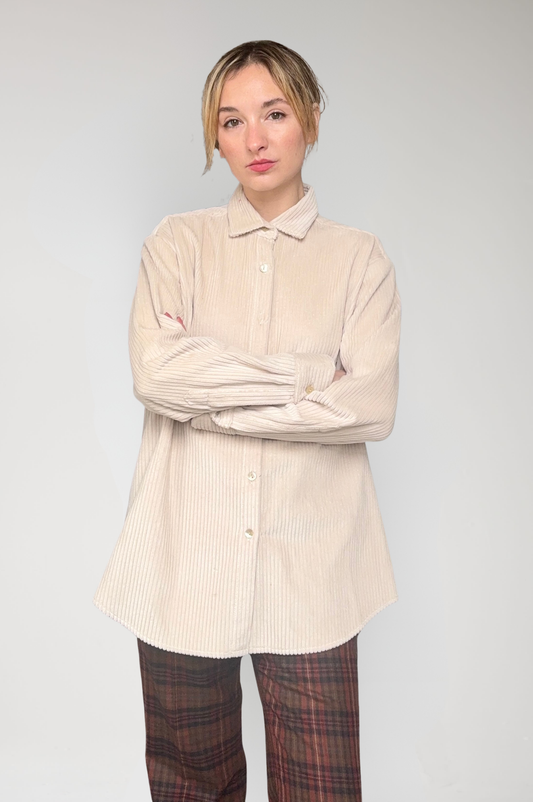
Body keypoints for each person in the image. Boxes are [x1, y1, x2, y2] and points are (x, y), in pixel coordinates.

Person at [93, 39, 401, 802]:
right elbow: (156, 376)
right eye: (231, 121)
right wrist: (304, 376)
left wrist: (214, 407)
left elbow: (366, 406)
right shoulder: (176, 245)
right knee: (189, 786)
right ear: (215, 136)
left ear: (311, 120)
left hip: (314, 573)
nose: (254, 139)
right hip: (182, 561)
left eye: (274, 114)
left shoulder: (359, 261)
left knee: (322, 789)